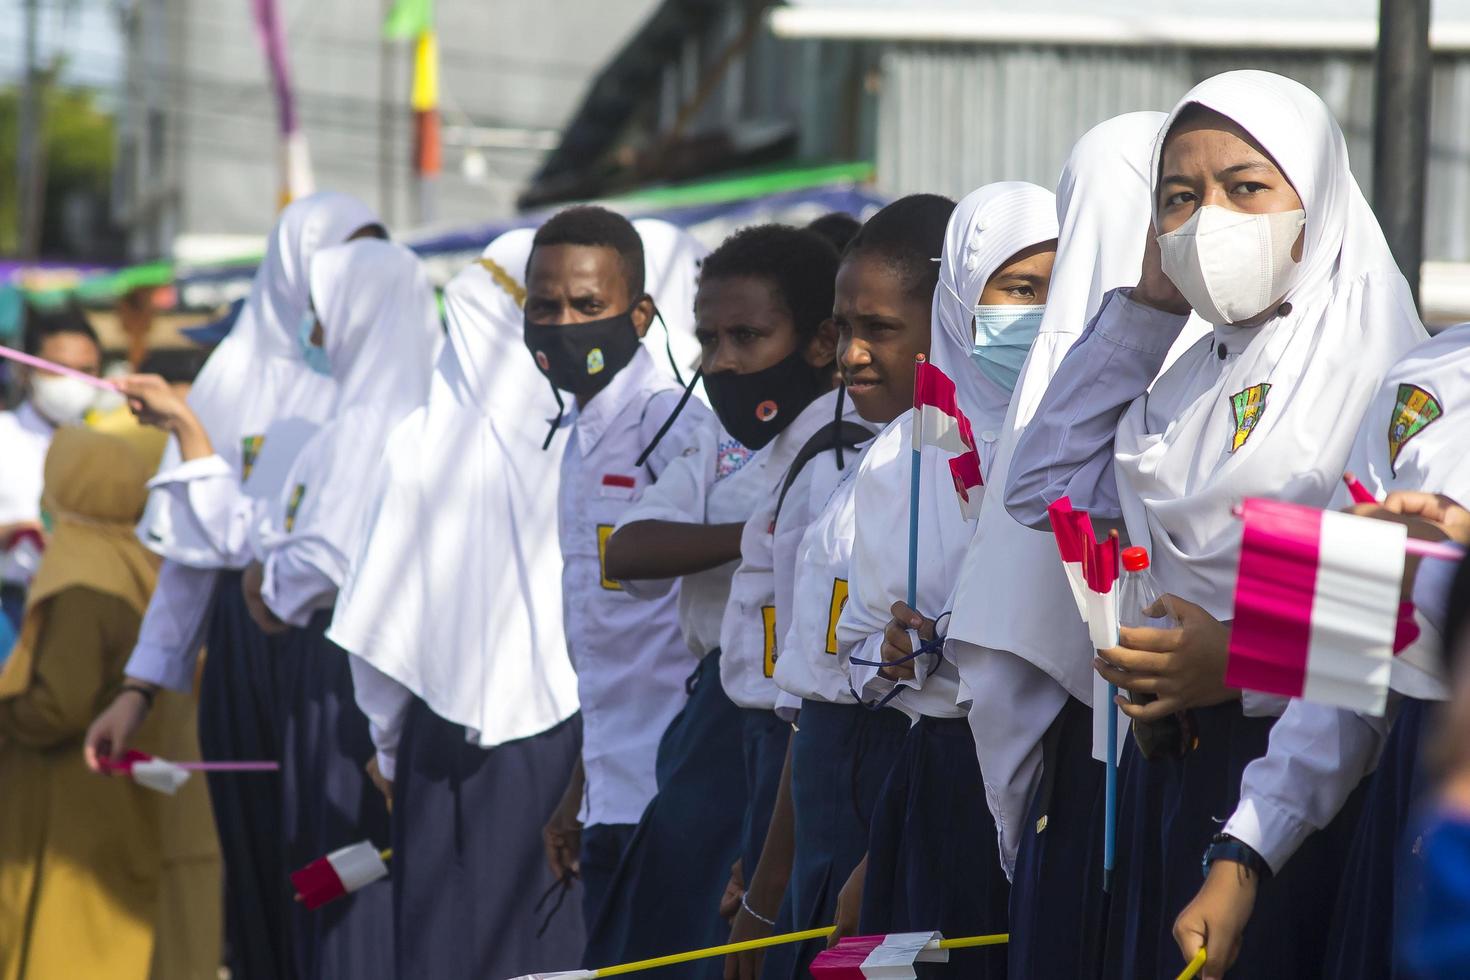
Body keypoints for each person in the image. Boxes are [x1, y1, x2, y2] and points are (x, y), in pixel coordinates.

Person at [1005, 70, 1427, 978]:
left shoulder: (1373, 372)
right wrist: (1151, 308)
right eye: (1179, 198)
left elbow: (1380, 627)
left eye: (1246, 189)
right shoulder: (1195, 378)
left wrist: (1227, 659)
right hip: (1175, 758)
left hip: (1298, 781)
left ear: (1314, 205)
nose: (1210, 220)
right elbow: (1042, 484)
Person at [83, 191, 385, 980]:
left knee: (346, 862)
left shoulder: (381, 386)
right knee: (261, 861)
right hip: (250, 647)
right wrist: (140, 686)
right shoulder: (234, 379)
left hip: (348, 652)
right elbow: (195, 554)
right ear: (293, 272)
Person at [938, 112, 1192, 980]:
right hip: (1126, 752)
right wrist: (1145, 314)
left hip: (1231, 743)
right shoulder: (1164, 366)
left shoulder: (1228, 384)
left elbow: (1006, 685)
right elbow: (1039, 488)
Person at [1172, 322, 1470, 979]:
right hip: (1417, 782)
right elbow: (1346, 660)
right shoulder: (1424, 376)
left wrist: (1442, 564)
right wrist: (1246, 848)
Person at [589, 224, 842, 978]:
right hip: (714, 721)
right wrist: (757, 533)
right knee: (671, 935)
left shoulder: (853, 452)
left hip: (799, 728)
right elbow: (628, 551)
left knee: (758, 935)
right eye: (709, 337)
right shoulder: (728, 445)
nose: (721, 362)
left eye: (748, 336)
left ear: (820, 342)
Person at [331, 229, 584, 978]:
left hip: (437, 743)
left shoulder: (420, 440)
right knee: (555, 938)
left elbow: (380, 622)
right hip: (571, 744)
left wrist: (383, 747)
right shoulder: (587, 438)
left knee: (447, 939)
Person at [835, 189, 1058, 977]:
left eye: (1059, 288)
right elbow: (855, 650)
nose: (1041, 310)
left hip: (1061, 781)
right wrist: (893, 650)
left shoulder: (1098, 436)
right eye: (1020, 289)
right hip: (942, 783)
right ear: (961, 298)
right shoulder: (903, 458)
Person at [243, 238, 439, 978]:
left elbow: (327, 558)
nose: (314, 337)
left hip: (347, 671)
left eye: (324, 316)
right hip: (368, 664)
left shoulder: (372, 425)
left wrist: (269, 582)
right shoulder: (394, 412)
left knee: (343, 864)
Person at [526, 207, 709, 929]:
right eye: (545, 306)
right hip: (610, 792)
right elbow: (607, 651)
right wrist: (577, 793)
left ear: (639, 316)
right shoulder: (577, 434)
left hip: (671, 797)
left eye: (587, 305)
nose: (564, 323)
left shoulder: (670, 425)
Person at [0, 427, 221, 980]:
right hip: (142, 798)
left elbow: (59, 704)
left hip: (82, 808)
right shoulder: (144, 559)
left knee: (75, 946)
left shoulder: (80, 573)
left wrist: (7, 715)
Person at [0, 304, 103, 636]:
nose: (72, 381)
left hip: (82, 612)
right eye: (57, 369)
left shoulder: (105, 450)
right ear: (26, 370)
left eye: (85, 370)